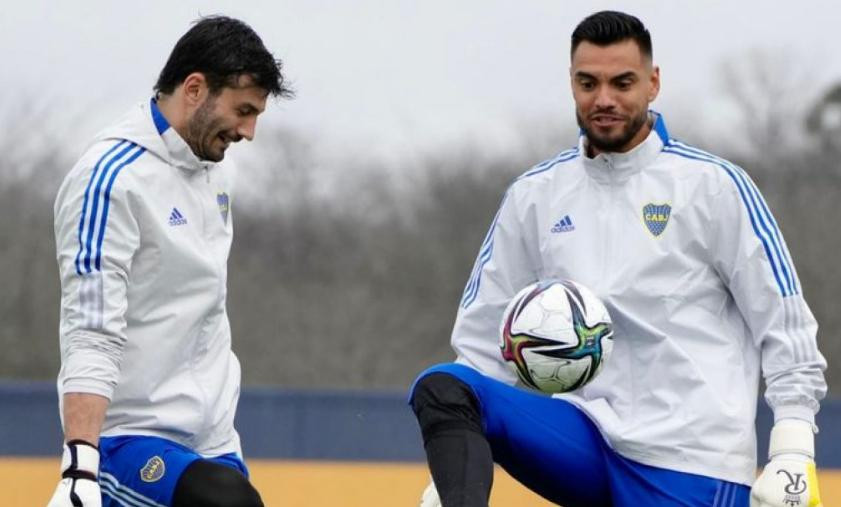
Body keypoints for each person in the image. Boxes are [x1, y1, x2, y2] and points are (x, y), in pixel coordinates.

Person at [409, 10, 826, 507]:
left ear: (653, 84)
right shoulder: (535, 195)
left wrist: (793, 448)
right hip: (585, 442)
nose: (603, 99)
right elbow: (482, 343)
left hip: (689, 462)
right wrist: (450, 473)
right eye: (588, 83)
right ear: (571, 84)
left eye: (621, 82)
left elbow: (784, 324)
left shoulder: (714, 187)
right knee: (445, 389)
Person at [49, 15, 291, 507]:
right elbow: (90, 329)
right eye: (243, 110)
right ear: (196, 88)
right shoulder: (110, 179)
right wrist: (80, 467)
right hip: (126, 441)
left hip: (212, 446)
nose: (249, 131)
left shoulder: (214, 175)